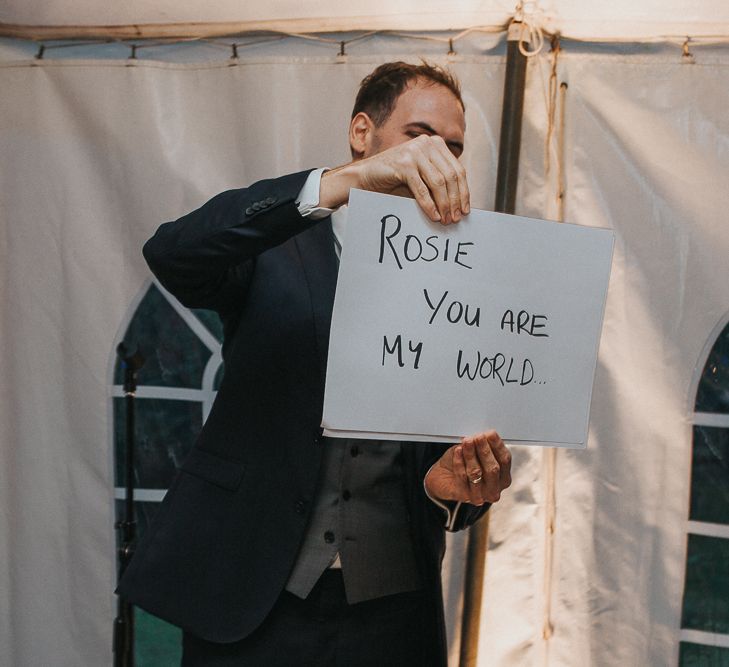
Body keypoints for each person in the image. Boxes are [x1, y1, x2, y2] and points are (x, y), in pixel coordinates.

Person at [118, 61, 512, 667]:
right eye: (419, 135)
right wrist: (338, 184)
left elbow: (461, 443)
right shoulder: (275, 243)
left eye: (455, 147)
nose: (441, 156)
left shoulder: (468, 281)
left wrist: (451, 492)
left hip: (392, 611)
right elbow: (171, 253)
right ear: (363, 133)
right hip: (249, 594)